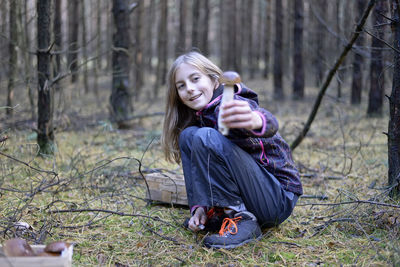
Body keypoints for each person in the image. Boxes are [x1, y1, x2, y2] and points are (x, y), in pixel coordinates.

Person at [161, 51, 303, 249]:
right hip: (254, 195)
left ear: (213, 80)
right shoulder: (202, 116)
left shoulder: (228, 104)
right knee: (189, 135)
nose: (190, 89)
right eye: (181, 86)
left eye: (195, 79)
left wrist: (254, 120)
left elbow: (268, 121)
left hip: (276, 199)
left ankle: (241, 219)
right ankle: (216, 212)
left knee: (205, 136)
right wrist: (200, 206)